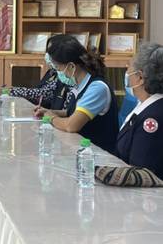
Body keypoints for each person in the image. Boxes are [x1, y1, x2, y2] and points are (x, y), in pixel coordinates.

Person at [34, 34, 119, 154]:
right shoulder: (78, 84)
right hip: (82, 151)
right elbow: (74, 111)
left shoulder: (97, 88)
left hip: (98, 156)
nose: (58, 73)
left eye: (58, 68)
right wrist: (50, 111)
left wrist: (51, 117)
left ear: (71, 66)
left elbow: (71, 125)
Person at [117, 43, 163, 179]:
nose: (127, 72)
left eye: (129, 67)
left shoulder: (153, 117)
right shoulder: (145, 106)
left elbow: (141, 170)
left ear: (140, 77)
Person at [10, 34, 78, 110]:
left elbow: (43, 93)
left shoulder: (69, 76)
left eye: (52, 50)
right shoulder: (53, 72)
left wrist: (12, 91)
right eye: (48, 50)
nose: (48, 54)